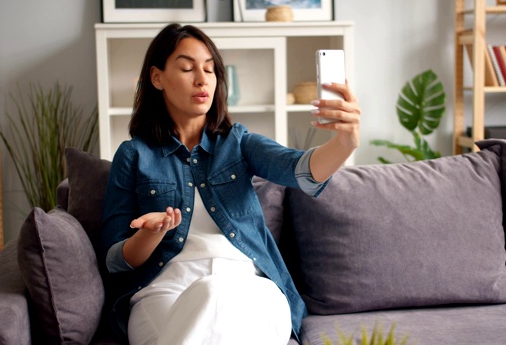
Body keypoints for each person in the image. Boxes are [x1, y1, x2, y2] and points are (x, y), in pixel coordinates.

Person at [101, 23, 360, 345]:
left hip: (249, 285)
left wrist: (345, 142)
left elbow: (300, 171)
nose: (202, 79)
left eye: (210, 70)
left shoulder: (238, 142)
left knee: (216, 291)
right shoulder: (134, 155)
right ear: (157, 78)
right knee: (208, 298)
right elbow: (116, 259)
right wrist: (149, 234)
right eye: (186, 67)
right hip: (165, 289)